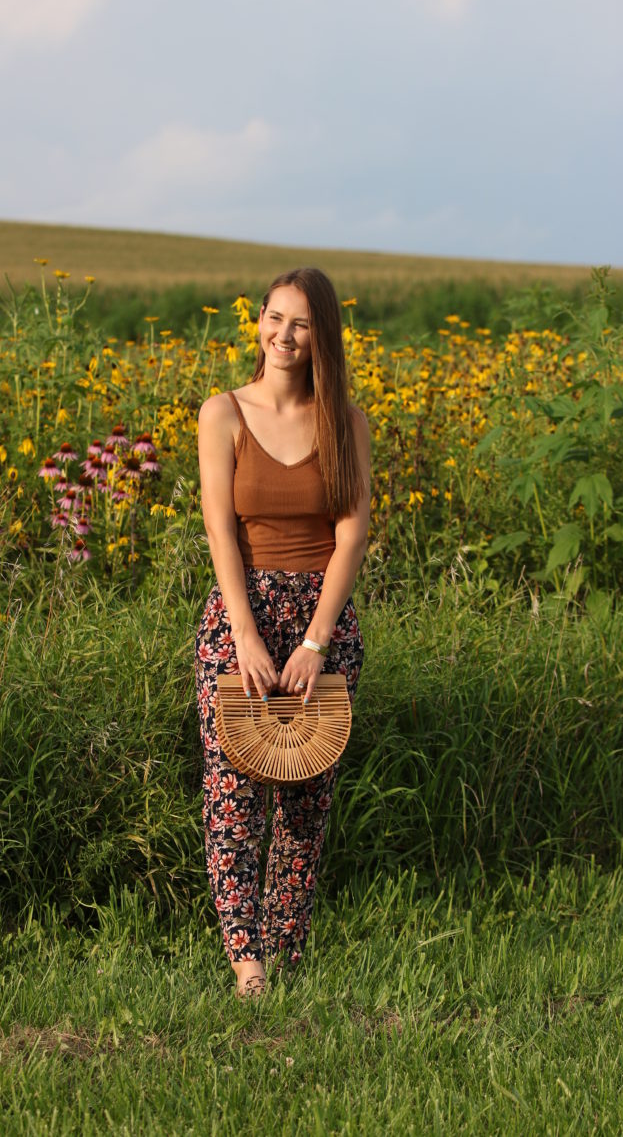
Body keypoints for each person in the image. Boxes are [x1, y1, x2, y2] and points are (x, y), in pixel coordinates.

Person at [195, 267, 371, 997]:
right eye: (273, 318)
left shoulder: (347, 420)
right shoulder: (223, 411)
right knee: (233, 787)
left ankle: (288, 948)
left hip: (319, 625)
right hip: (242, 615)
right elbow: (218, 523)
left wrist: (315, 640)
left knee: (305, 794)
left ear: (321, 333)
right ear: (258, 321)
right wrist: (245, 631)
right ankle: (247, 960)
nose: (283, 335)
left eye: (299, 323)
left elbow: (353, 530)